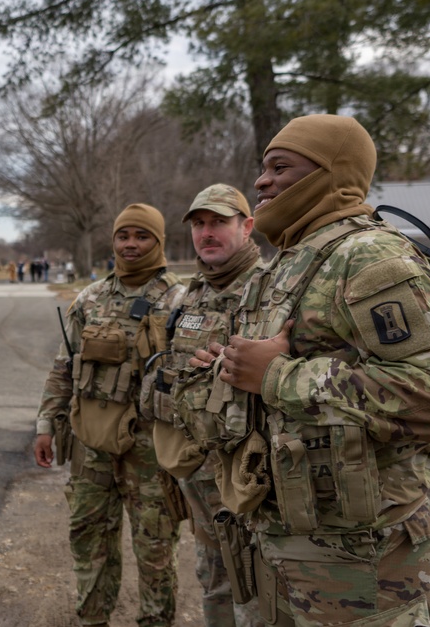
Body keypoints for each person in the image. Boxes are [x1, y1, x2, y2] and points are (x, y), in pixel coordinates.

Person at [189, 115, 430, 626]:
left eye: (280, 167)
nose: (261, 181)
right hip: (284, 541)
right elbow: (271, 370)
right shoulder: (288, 263)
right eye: (262, 168)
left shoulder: (369, 255)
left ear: (332, 173)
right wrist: (230, 369)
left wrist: (277, 376)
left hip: (361, 560)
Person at [36, 203, 186, 627]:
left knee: (155, 548)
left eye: (142, 236)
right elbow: (63, 366)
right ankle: (93, 618)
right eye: (124, 236)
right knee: (88, 539)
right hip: (91, 445)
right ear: (113, 241)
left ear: (158, 242)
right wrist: (46, 425)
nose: (131, 245)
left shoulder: (180, 299)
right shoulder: (90, 297)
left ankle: (157, 620)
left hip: (150, 450)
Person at [145, 185, 264, 627]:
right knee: (213, 577)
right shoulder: (189, 296)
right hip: (196, 472)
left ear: (246, 226)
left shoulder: (268, 290)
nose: (206, 233)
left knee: (255, 586)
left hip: (245, 476)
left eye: (218, 222)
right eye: (198, 224)